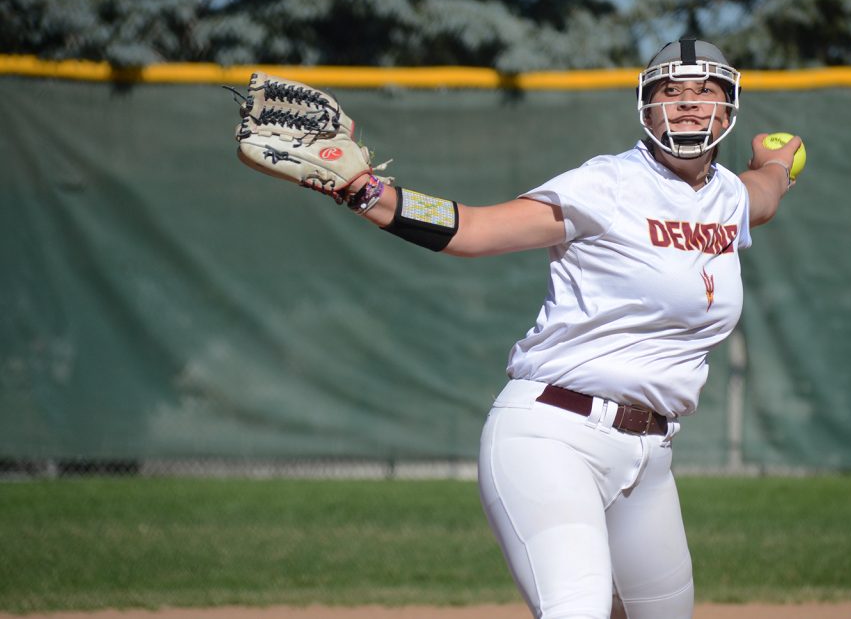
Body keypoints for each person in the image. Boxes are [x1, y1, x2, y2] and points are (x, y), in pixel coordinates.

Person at [263, 37, 802, 619]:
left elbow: (764, 194)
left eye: (707, 93)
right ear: (647, 109)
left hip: (649, 456)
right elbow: (474, 230)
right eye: (672, 91)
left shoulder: (726, 197)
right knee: (576, 609)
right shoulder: (609, 184)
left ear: (729, 109)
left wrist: (776, 161)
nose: (690, 104)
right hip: (552, 435)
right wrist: (366, 192)